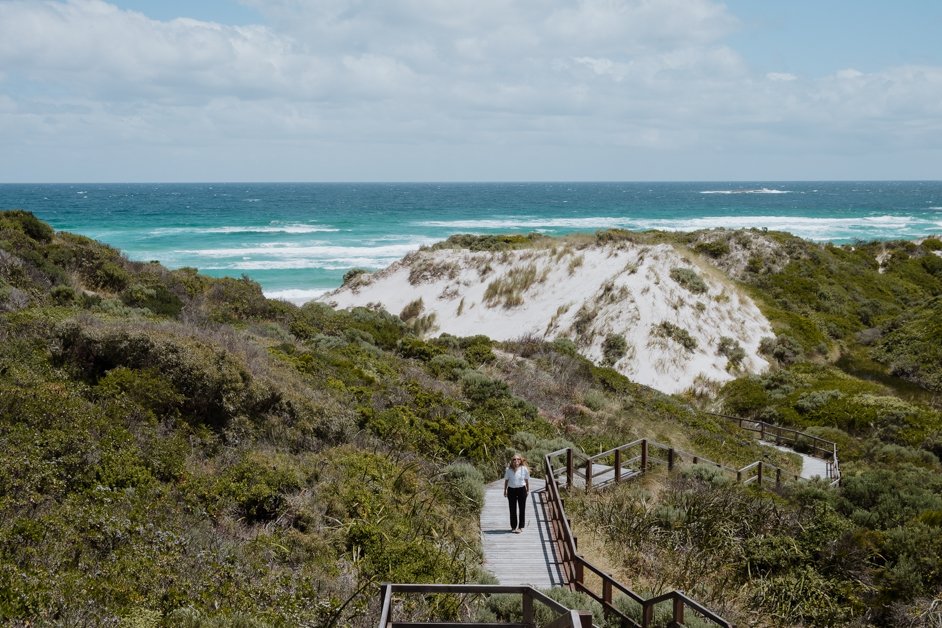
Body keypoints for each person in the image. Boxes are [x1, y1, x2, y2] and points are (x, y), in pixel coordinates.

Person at [503, 453, 530, 533]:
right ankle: (513, 527)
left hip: (522, 489)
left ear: (520, 460)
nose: (516, 461)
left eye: (518, 459)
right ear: (512, 461)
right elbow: (506, 480)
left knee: (522, 508)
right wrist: (505, 490)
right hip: (511, 490)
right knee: (512, 509)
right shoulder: (508, 470)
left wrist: (528, 490)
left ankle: (520, 527)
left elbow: (526, 480)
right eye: (514, 459)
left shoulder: (524, 469)